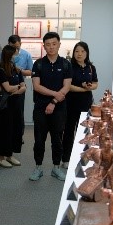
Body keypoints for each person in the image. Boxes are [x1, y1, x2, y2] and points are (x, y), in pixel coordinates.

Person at [30, 32, 72, 182]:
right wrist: (55, 94)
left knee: (57, 139)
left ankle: (56, 168)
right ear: (44, 46)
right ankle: (38, 168)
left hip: (59, 108)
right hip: (40, 108)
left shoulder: (66, 64)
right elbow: (36, 86)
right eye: (48, 44)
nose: (51, 47)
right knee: (39, 140)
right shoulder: (38, 64)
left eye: (54, 44)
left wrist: (53, 102)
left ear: (59, 44)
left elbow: (67, 86)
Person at [61, 42, 99, 168]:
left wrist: (90, 87)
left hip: (86, 104)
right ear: (73, 53)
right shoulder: (69, 66)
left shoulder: (91, 67)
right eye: (77, 51)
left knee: (85, 132)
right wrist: (84, 89)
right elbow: (68, 86)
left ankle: (84, 158)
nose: (79, 54)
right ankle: (66, 159)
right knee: (69, 131)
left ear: (86, 53)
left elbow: (95, 84)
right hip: (71, 103)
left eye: (82, 51)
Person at [0, 45, 26, 168]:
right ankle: (1, 157)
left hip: (17, 103)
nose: (16, 56)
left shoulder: (16, 70)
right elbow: (7, 88)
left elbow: (24, 86)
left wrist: (18, 88)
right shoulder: (1, 70)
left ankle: (10, 155)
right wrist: (19, 87)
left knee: (16, 129)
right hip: (6, 105)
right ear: (9, 55)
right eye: (15, 54)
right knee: (5, 130)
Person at [7, 34, 33, 142]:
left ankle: (19, 136)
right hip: (5, 86)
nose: (15, 50)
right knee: (6, 113)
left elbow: (31, 71)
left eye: (17, 47)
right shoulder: (3, 54)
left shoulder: (26, 55)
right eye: (12, 47)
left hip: (20, 84)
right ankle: (5, 136)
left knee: (19, 112)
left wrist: (20, 71)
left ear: (20, 44)